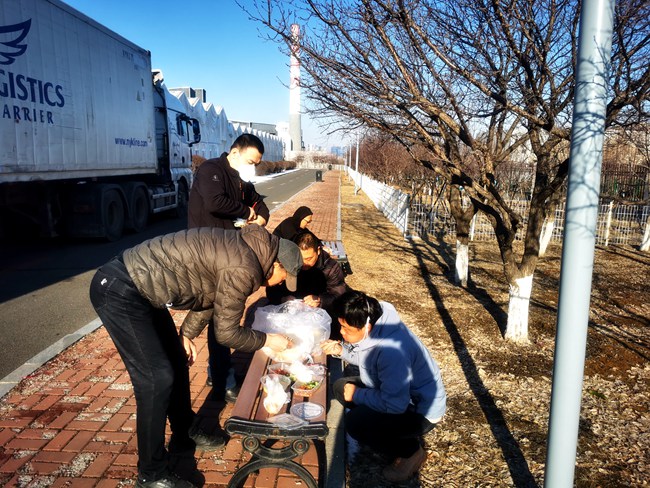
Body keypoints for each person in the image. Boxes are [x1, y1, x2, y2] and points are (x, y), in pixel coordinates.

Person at [89, 225, 302, 488]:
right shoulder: (244, 267)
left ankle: (184, 433)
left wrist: (186, 334)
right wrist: (269, 340)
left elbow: (211, 298)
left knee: (176, 360)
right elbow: (226, 334)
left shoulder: (247, 252)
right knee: (156, 379)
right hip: (120, 290)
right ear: (276, 262)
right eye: (284, 275)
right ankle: (151, 473)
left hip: (142, 290)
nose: (282, 282)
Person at [321, 291, 447, 483]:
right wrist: (341, 350)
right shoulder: (378, 325)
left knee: (356, 423)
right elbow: (365, 355)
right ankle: (382, 428)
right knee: (340, 387)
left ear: (367, 327)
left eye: (346, 328)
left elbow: (395, 404)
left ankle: (411, 453)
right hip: (396, 394)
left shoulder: (393, 352)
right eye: (341, 326)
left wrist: (358, 395)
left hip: (420, 410)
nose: (342, 332)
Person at [187, 133, 270, 401]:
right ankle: (224, 378)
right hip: (206, 254)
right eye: (250, 161)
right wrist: (247, 213)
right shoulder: (212, 170)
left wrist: (261, 217)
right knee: (220, 318)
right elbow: (215, 202)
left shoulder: (241, 179)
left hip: (228, 254)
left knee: (220, 319)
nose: (253, 167)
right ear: (234, 153)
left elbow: (258, 200)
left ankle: (219, 372)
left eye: (256, 164)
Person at [266, 230, 349, 338]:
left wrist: (320, 300)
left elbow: (339, 296)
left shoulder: (331, 267)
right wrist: (282, 299)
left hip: (319, 317)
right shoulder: (287, 261)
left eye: (309, 258)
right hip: (290, 314)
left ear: (318, 251)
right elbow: (271, 289)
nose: (304, 263)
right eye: (300, 258)